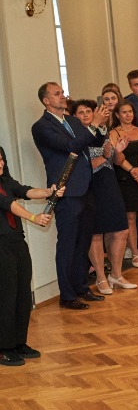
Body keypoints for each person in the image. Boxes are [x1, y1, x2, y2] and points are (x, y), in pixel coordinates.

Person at [32, 82, 107, 309]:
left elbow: (92, 141)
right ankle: (67, 295)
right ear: (46, 100)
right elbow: (71, 146)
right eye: (57, 93)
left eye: (62, 92)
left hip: (86, 186)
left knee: (83, 241)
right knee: (68, 243)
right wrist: (93, 125)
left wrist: (101, 127)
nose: (62, 96)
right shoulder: (41, 127)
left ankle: (81, 287)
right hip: (66, 190)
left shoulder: (73, 121)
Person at [0, 146, 56, 366]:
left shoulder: (6, 182)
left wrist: (49, 191)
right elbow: (9, 204)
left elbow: (26, 191)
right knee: (6, 296)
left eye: (1, 159)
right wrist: (34, 218)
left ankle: (18, 342)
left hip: (16, 242)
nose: (1, 163)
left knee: (23, 295)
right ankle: (4, 348)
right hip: (1, 246)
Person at [73, 99, 132, 294]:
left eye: (88, 111)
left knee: (121, 230)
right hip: (90, 186)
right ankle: (100, 277)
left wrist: (118, 151)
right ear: (74, 117)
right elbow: (82, 166)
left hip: (109, 183)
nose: (86, 115)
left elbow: (116, 160)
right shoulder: (77, 137)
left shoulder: (102, 132)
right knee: (96, 233)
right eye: (81, 112)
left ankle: (116, 274)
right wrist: (105, 156)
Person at [110, 101, 138, 268]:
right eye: (124, 112)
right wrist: (133, 172)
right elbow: (117, 157)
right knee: (130, 217)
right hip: (125, 178)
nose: (128, 115)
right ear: (117, 115)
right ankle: (135, 252)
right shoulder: (114, 133)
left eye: (130, 111)